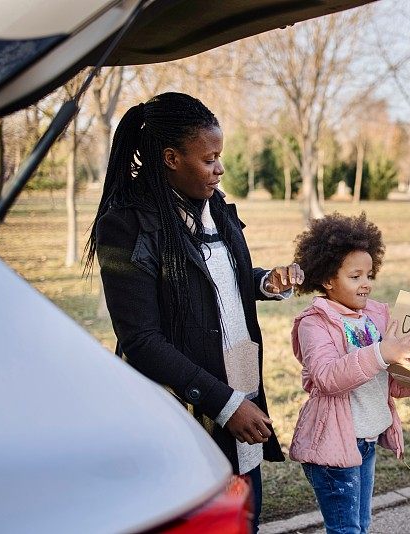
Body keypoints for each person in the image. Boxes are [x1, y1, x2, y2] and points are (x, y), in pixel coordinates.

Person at [85, 92, 303, 532]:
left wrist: (264, 281)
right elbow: (140, 341)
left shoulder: (214, 206)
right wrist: (226, 405)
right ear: (170, 158)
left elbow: (218, 280)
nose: (220, 169)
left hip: (237, 400)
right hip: (182, 415)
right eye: (210, 159)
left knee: (245, 522)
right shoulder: (126, 226)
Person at [288, 213, 410, 534]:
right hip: (333, 448)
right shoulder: (315, 323)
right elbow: (326, 376)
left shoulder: (376, 316)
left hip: (365, 442)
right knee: (346, 530)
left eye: (369, 274)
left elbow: (389, 382)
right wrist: (381, 352)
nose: (366, 282)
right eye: (355, 276)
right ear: (328, 279)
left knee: (360, 525)